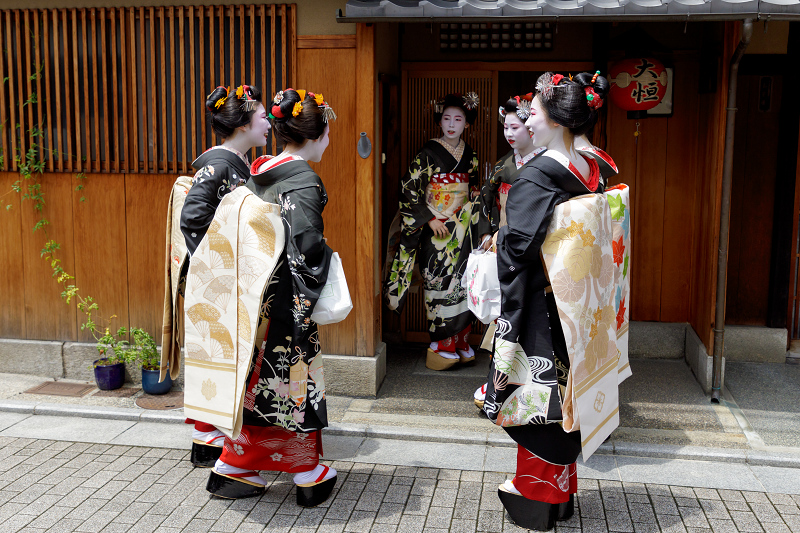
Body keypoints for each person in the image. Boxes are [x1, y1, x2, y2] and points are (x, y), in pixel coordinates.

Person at [481, 71, 621, 531]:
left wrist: (499, 242)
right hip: (578, 308)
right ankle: (560, 491)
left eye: (534, 111)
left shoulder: (539, 174)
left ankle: (536, 496)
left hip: (542, 304)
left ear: (557, 120)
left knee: (537, 402)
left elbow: (519, 248)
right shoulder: (592, 166)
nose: (527, 117)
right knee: (566, 397)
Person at [200, 88, 338, 506]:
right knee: (288, 382)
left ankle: (235, 465)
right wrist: (324, 260)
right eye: (328, 131)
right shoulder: (304, 180)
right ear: (316, 135)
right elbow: (307, 245)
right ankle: (302, 468)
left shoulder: (262, 169)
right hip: (287, 299)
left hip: (256, 295)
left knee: (259, 379)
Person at [170, 84, 270, 470]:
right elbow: (193, 218)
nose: (267, 125)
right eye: (262, 117)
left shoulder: (236, 163)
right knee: (219, 354)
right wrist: (225, 261)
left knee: (219, 354)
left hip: (223, 277)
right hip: (218, 278)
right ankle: (208, 438)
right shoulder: (219, 165)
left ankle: (208, 437)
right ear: (244, 123)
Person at [385, 92, 482, 371]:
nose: (451, 124)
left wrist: (470, 210)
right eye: (447, 118)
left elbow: (473, 189)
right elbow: (408, 188)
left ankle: (461, 342)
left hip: (461, 230)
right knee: (438, 284)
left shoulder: (471, 156)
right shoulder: (427, 154)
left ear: (467, 123)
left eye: (458, 119)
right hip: (436, 231)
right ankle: (440, 346)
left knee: (462, 284)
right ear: (440, 122)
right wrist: (429, 219)